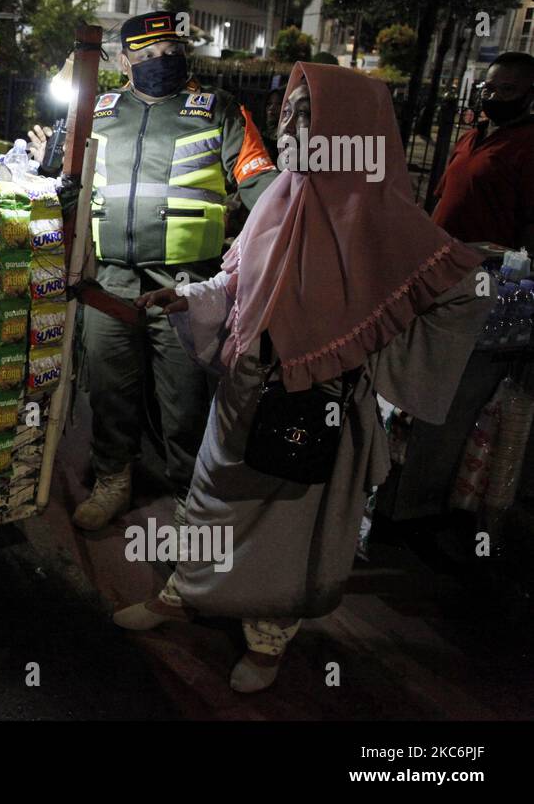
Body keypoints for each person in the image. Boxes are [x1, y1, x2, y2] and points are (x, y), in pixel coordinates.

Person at [114, 63, 490, 692]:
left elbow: (467, 291)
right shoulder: (281, 198)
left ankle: (268, 637)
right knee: (212, 497)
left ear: (351, 129)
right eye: (288, 114)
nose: (288, 128)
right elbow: (236, 282)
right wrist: (189, 298)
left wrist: (370, 351)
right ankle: (187, 593)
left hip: (321, 403)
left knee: (289, 525)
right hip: (244, 385)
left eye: (305, 117)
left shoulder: (384, 217)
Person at [33, 11, 279, 531]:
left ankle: (193, 497)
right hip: (107, 282)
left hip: (187, 288)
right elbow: (61, 183)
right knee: (109, 391)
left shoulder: (219, 111)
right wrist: (50, 170)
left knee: (185, 403)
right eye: (145, 56)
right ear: (124, 62)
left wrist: (296, 227)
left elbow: (264, 189)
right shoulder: (95, 112)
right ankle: (112, 481)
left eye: (168, 52)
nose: (159, 62)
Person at [431, 51, 534, 249]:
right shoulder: (469, 137)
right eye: (489, 89)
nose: (494, 96)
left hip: (482, 268)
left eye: (507, 89)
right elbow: (444, 198)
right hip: (439, 257)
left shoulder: (528, 144)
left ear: (530, 95)